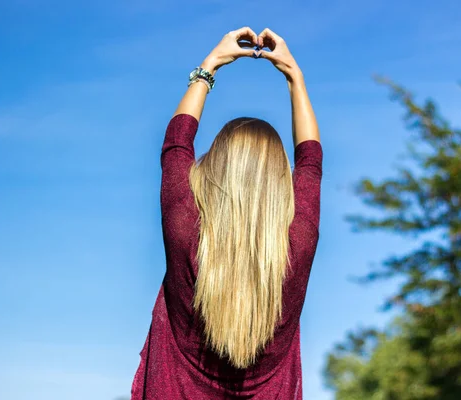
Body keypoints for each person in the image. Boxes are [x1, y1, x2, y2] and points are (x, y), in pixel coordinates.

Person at [130, 26, 323, 399]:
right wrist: (294, 77)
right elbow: (311, 162)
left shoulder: (184, 229)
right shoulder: (297, 243)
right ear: (280, 181)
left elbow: (176, 146)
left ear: (214, 167)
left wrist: (211, 64)